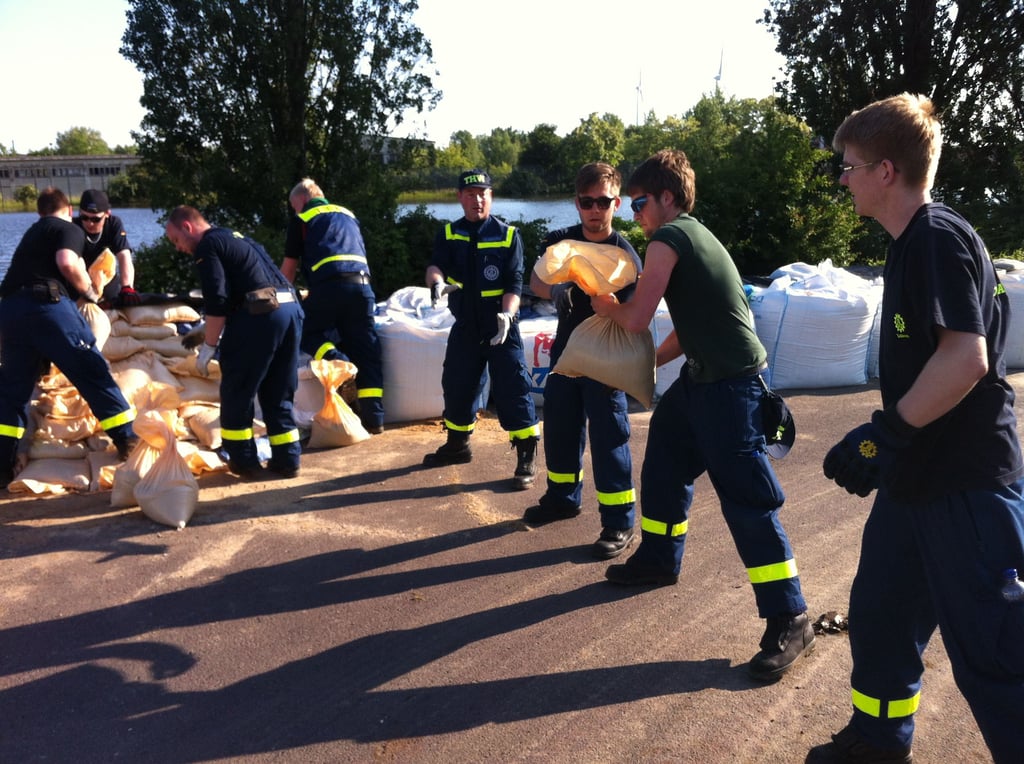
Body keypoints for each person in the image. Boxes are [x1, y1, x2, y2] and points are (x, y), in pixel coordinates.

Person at [810, 93, 1024, 764]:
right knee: (881, 616)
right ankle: (878, 742)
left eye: (847, 167)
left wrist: (885, 434)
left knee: (995, 653)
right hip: (916, 485)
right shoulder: (909, 245)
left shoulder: (935, 237)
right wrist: (896, 445)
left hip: (964, 487)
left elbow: (966, 358)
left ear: (885, 170)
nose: (841, 179)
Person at [591, 150, 813, 682]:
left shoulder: (669, 238)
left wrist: (602, 304)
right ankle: (659, 558)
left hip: (732, 388)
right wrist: (648, 366)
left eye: (639, 203)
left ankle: (791, 615)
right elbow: (688, 327)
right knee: (665, 461)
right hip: (702, 379)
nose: (634, 215)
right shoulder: (694, 236)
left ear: (667, 198)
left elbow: (637, 316)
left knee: (748, 501)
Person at [524, 162, 641, 559]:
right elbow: (537, 282)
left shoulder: (625, 254)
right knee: (559, 429)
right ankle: (562, 498)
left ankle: (619, 522)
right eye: (587, 201)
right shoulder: (561, 239)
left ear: (616, 203)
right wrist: (559, 286)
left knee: (609, 438)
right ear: (577, 203)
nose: (595, 209)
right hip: (565, 355)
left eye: (603, 202)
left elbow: (636, 313)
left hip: (606, 359)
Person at [0, 187, 138, 487]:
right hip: (46, 306)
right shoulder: (66, 229)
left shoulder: (32, 234)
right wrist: (89, 292)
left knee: (12, 393)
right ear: (70, 211)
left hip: (9, 312)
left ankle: (3, 464)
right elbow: (66, 262)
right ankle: (127, 439)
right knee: (91, 370)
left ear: (39, 212)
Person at [165, 205, 303, 480]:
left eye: (176, 240)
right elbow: (248, 287)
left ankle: (244, 462)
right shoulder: (235, 238)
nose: (178, 248)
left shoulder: (208, 246)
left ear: (188, 227)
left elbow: (217, 301)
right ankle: (288, 460)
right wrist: (208, 329)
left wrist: (209, 347)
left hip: (261, 317)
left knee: (237, 391)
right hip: (290, 313)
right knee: (278, 393)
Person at [423, 169, 540, 489]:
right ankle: (458, 445)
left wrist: (507, 314)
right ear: (460, 197)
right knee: (456, 384)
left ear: (491, 196)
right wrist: (436, 284)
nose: (478, 199)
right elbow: (436, 266)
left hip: (500, 325)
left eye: (483, 193)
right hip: (466, 325)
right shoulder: (449, 233)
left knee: (513, 389)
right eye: (471, 193)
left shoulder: (507, 234)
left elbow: (514, 282)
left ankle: (526, 455)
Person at [282, 179, 384, 434]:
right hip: (362, 288)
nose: (295, 211)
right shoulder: (348, 215)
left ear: (303, 200)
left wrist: (281, 298)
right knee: (365, 347)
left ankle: (339, 362)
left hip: (329, 288)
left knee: (306, 331)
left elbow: (289, 268)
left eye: (295, 206)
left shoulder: (303, 219)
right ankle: (375, 418)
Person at [73, 189, 141, 306]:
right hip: (80, 279)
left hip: (105, 277)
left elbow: (124, 256)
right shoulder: (72, 227)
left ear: (107, 214)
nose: (90, 223)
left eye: (96, 219)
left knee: (118, 300)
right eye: (84, 217)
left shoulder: (114, 224)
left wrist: (127, 287)